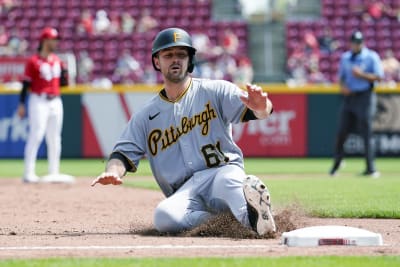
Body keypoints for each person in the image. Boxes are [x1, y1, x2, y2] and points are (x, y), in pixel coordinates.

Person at [91, 27, 276, 236]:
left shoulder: (215, 90)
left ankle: (254, 220)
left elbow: (260, 110)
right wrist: (113, 171)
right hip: (186, 193)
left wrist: (261, 106)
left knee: (230, 181)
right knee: (164, 216)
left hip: (221, 172)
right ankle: (229, 223)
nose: (175, 59)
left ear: (190, 61)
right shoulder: (146, 116)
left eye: (181, 54)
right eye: (168, 55)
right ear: (157, 62)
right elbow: (122, 154)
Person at [17, 27, 68, 183]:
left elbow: (64, 84)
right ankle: (28, 172)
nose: (56, 43)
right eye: (53, 40)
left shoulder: (58, 61)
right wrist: (21, 104)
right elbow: (26, 84)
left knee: (54, 138)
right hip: (38, 100)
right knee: (36, 134)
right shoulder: (33, 61)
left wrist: (65, 73)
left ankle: (54, 171)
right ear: (45, 41)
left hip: (56, 100)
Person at [329, 31, 383, 178]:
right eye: (353, 42)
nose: (356, 44)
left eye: (358, 42)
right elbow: (341, 78)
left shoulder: (371, 56)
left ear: (363, 43)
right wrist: (342, 87)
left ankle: (370, 168)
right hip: (349, 98)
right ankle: (336, 165)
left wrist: (362, 75)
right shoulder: (345, 57)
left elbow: (378, 77)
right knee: (341, 132)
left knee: (366, 132)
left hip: (365, 96)